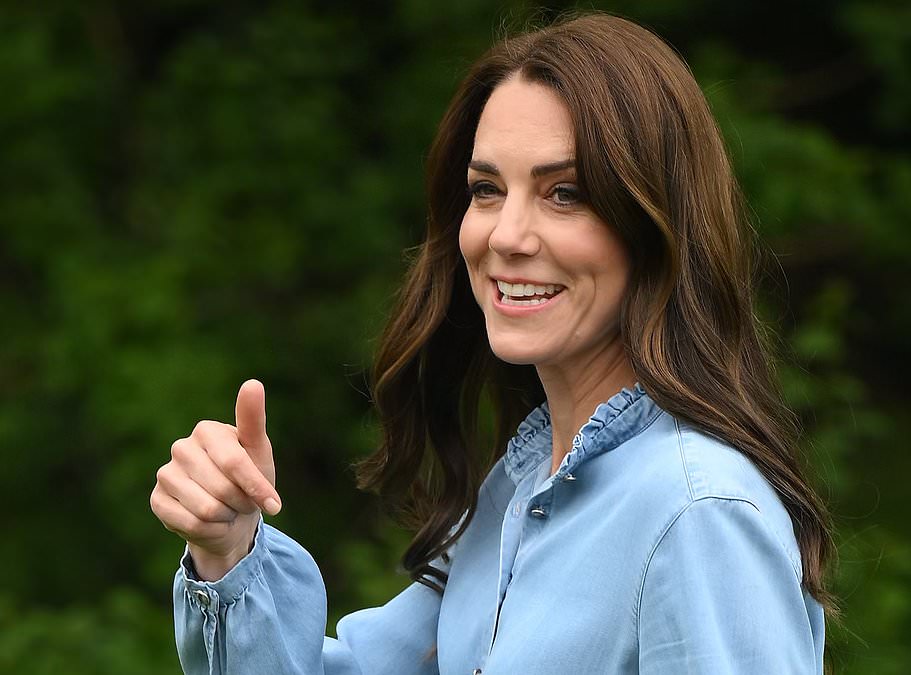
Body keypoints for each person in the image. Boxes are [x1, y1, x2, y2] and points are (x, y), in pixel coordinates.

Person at [150, 11, 833, 674]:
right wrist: (229, 546)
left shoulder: (697, 513)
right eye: (485, 190)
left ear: (656, 225)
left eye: (564, 192)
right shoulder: (516, 494)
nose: (506, 235)